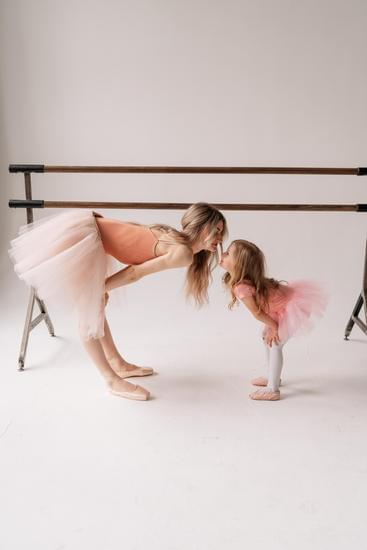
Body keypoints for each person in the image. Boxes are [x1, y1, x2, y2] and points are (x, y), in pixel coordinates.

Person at [9, 203, 227, 401]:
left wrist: (103, 286)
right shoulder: (183, 252)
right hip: (86, 236)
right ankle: (111, 380)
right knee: (89, 312)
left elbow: (131, 231)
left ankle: (116, 363)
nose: (220, 238)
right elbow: (135, 272)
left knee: (96, 308)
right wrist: (101, 287)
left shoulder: (173, 236)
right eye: (217, 230)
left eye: (221, 232)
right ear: (203, 227)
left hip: (90, 231)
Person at [220, 239, 327, 401]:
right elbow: (264, 308)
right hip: (281, 308)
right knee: (266, 338)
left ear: (239, 265)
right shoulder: (243, 282)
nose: (223, 254)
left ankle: (273, 389)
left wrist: (273, 326)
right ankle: (272, 375)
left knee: (275, 343)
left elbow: (257, 312)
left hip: (293, 307)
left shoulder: (241, 287)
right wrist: (270, 326)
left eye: (228, 253)